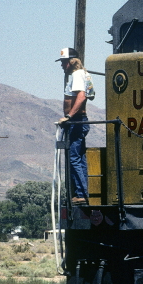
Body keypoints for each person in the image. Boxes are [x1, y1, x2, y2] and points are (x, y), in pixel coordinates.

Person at [57, 47, 89, 205]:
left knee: (74, 158)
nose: (62, 65)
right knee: (80, 158)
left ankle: (81, 194)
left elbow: (81, 97)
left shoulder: (77, 75)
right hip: (79, 121)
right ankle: (82, 193)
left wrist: (68, 116)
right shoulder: (81, 74)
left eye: (63, 62)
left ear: (70, 62)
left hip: (77, 122)